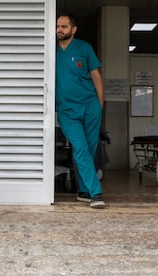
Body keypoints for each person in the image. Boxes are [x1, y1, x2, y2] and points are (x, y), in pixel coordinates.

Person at [55, 13, 105, 208]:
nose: (59, 30)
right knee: (81, 148)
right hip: (67, 111)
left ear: (73, 29)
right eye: (58, 26)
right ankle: (96, 193)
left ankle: (83, 191)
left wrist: (100, 103)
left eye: (64, 26)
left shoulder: (84, 48)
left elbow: (96, 75)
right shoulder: (51, 50)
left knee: (90, 150)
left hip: (90, 106)